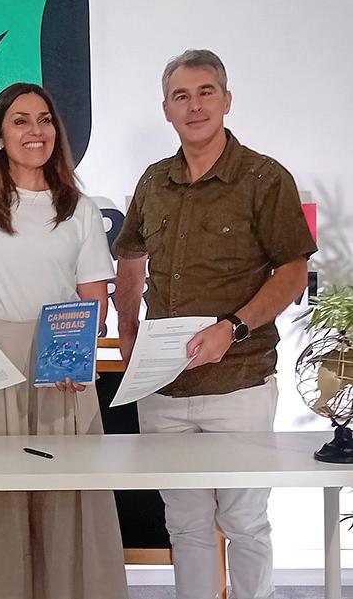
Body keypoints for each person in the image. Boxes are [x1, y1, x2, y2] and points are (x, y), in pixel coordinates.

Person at [114, 49, 317, 599]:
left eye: (206, 92)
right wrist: (127, 331)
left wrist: (234, 327)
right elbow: (130, 255)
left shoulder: (264, 178)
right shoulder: (154, 182)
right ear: (166, 109)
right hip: (164, 387)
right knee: (185, 524)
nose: (194, 105)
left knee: (245, 521)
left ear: (227, 101)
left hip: (239, 384)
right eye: (181, 96)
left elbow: (293, 271)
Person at [0, 82, 128, 599]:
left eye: (44, 119)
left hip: (60, 364)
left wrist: (77, 358)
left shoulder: (80, 207)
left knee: (68, 498)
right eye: (20, 120)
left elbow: (94, 297)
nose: (36, 131)